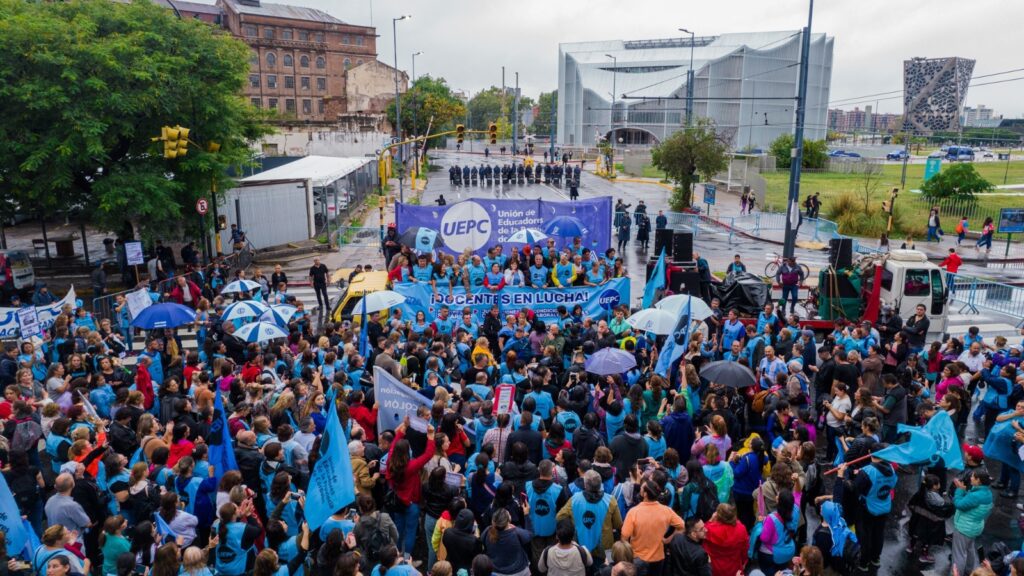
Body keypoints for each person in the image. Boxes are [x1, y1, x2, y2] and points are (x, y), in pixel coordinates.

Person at [621, 478, 684, 576]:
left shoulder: (634, 512)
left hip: (638, 558)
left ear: (645, 494)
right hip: (658, 558)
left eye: (642, 488)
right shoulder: (666, 510)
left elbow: (624, 537)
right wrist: (667, 540)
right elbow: (682, 526)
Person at [951, 470, 994, 575]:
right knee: (970, 549)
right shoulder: (987, 493)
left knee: (959, 554)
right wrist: (965, 492)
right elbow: (973, 502)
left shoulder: (975, 496)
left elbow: (959, 504)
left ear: (978, 480)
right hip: (975, 527)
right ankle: (970, 571)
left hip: (964, 527)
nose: (970, 478)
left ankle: (958, 573)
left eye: (973, 477)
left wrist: (959, 491)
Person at [702, 504, 748, 576]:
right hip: (734, 564)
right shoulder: (741, 528)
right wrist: (744, 561)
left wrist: (710, 520)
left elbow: (702, 531)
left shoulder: (710, 529)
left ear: (718, 516)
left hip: (716, 565)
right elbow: (744, 547)